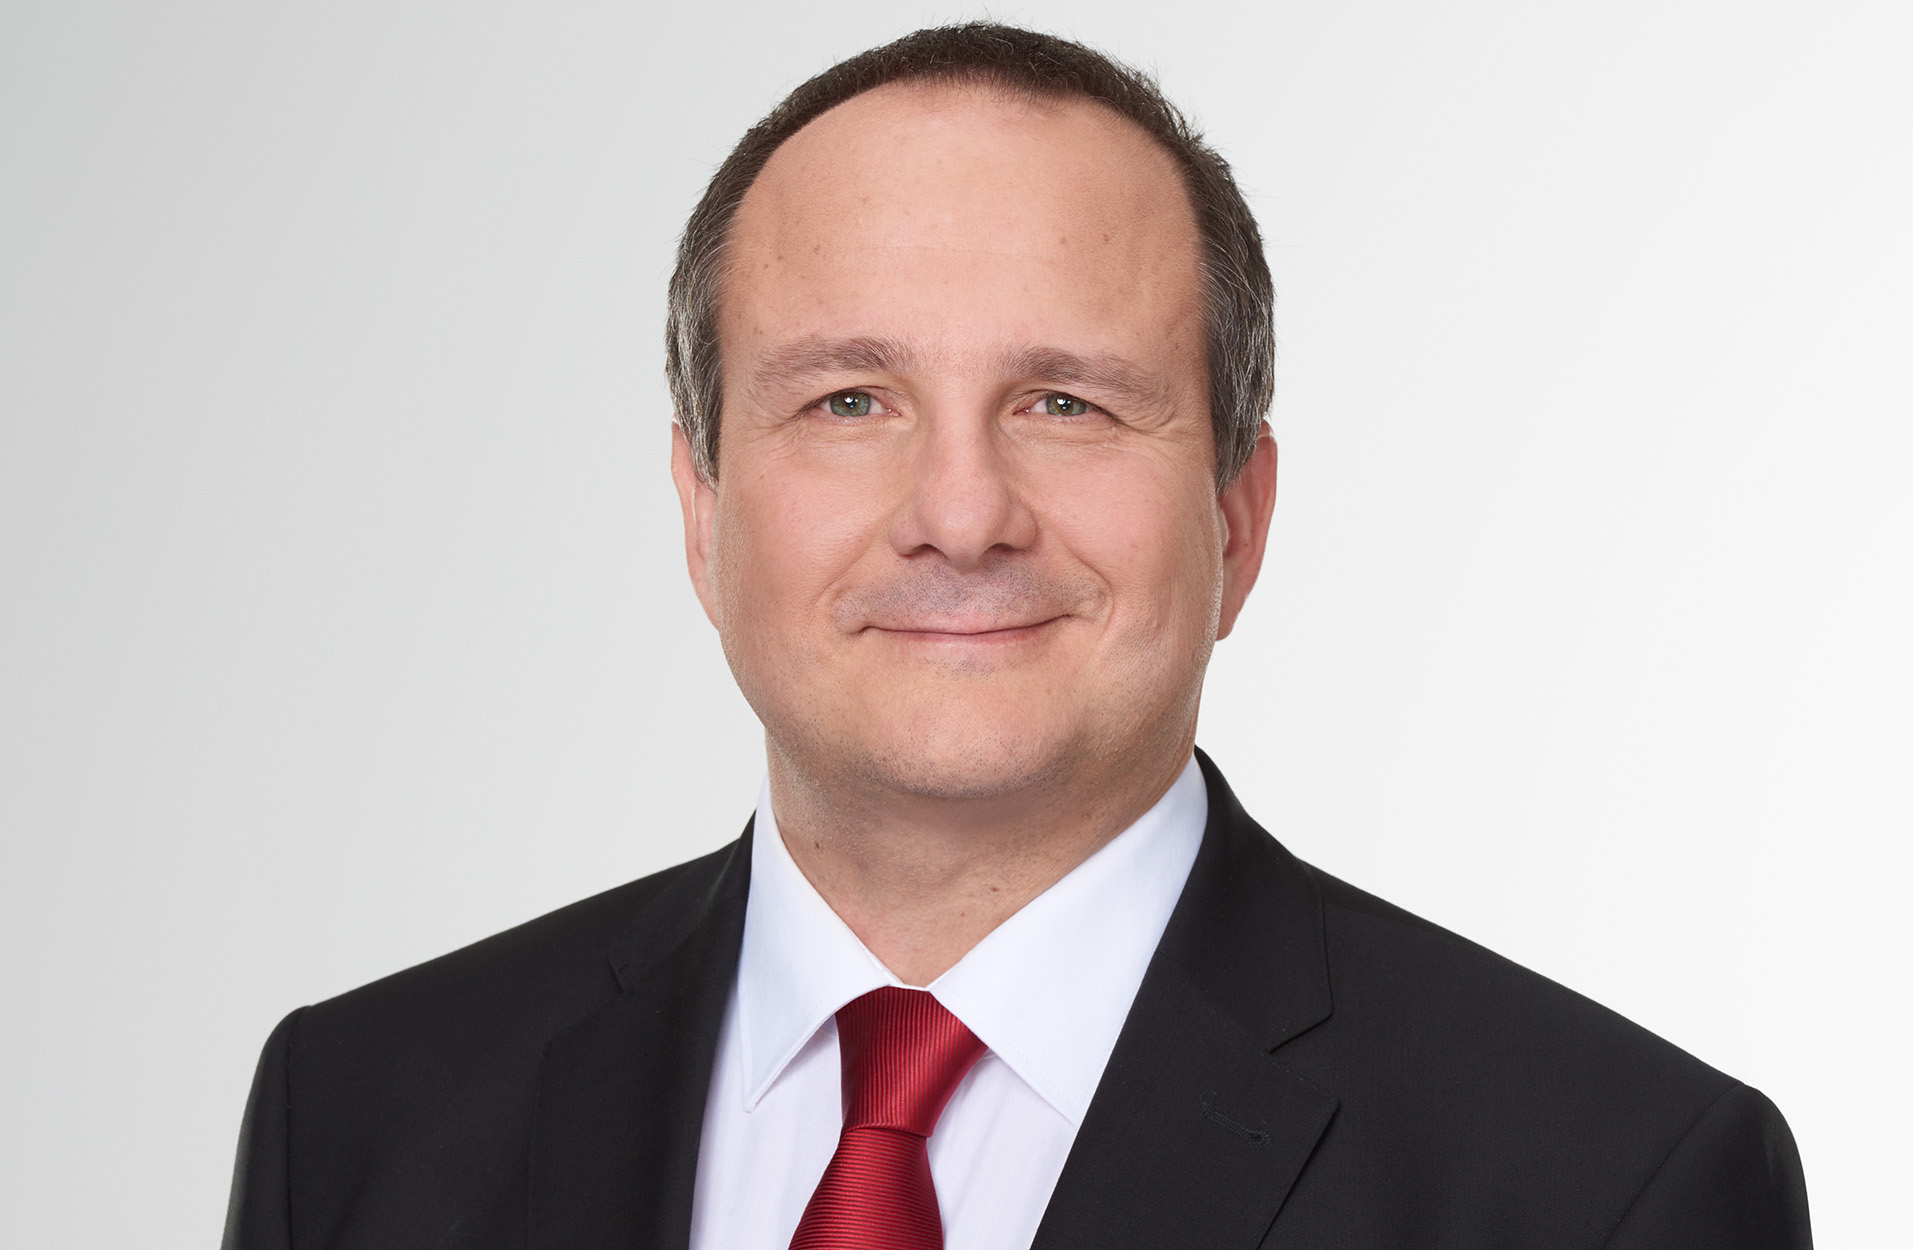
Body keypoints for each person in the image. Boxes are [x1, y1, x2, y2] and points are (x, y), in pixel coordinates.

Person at [222, 22, 1811, 1250]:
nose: (961, 512)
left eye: (1066, 402)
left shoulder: (1609, 1186)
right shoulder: (358, 1119)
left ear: (1239, 516)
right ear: (703, 511)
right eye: (850, 400)